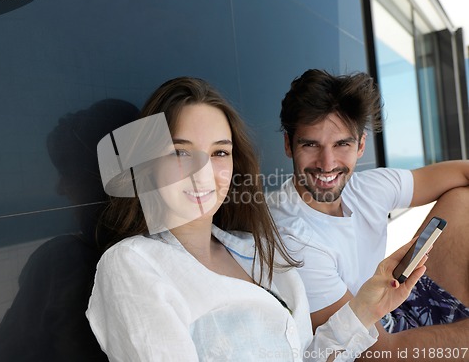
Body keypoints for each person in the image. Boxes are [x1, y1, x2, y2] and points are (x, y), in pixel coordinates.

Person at [86, 76, 426, 362]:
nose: (203, 173)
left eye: (219, 152)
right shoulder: (132, 265)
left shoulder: (258, 250)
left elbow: (308, 356)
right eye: (181, 152)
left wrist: (366, 307)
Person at [268, 69, 469, 361]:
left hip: (396, 303)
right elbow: (375, 352)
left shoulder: (366, 187)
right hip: (372, 343)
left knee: (461, 197)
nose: (327, 164)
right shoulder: (291, 237)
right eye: (310, 144)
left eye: (342, 144)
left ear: (361, 145)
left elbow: (461, 172)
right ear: (289, 145)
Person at [0, 99, 140, 361]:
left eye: (67, 172)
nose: (59, 188)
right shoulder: (178, 249)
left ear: (96, 178)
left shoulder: (62, 262)